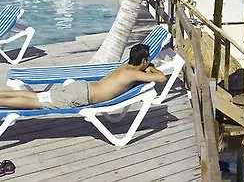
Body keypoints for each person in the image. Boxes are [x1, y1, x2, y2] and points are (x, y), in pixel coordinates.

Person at [0, 44, 165, 110]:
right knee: (37, 103)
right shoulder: (134, 73)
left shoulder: (125, 67)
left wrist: (146, 67)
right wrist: (150, 68)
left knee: (38, 96)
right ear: (143, 61)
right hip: (81, 96)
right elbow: (161, 78)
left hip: (81, 88)